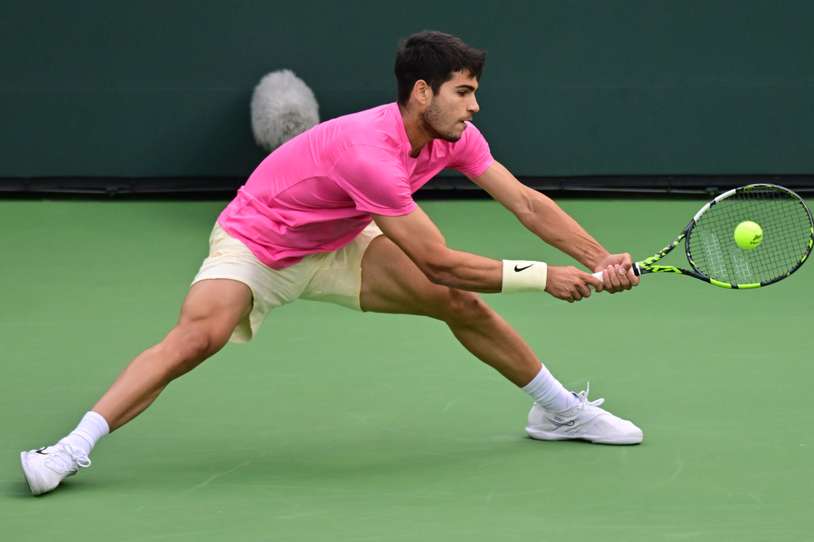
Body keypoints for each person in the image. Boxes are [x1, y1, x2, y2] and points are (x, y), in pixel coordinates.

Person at [20, 30, 642, 496]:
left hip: (340, 239)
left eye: (474, 93)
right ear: (422, 92)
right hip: (259, 242)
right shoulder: (370, 152)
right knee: (196, 338)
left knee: (458, 306)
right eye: (464, 93)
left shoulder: (454, 137)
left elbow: (528, 205)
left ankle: (558, 411)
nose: (475, 107)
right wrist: (545, 277)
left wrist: (598, 258)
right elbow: (437, 259)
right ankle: (72, 448)